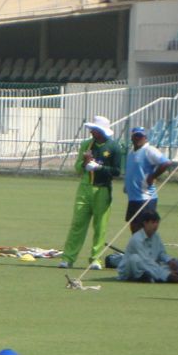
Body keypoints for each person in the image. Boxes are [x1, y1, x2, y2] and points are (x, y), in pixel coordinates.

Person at [59, 115, 123, 269]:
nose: (91, 132)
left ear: (101, 131)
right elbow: (77, 168)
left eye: (94, 129)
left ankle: (95, 259)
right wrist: (85, 162)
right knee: (78, 224)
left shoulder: (114, 147)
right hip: (85, 187)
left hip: (102, 189)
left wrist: (99, 167)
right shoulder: (86, 145)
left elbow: (116, 171)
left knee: (100, 226)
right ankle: (68, 258)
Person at [123, 126, 170, 232]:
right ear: (132, 137)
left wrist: (153, 176)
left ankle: (146, 248)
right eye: (136, 136)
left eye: (140, 136)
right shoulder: (131, 153)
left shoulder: (149, 150)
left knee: (145, 229)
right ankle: (137, 248)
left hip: (145, 198)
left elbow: (166, 162)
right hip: (133, 198)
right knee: (134, 227)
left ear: (145, 138)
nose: (138, 138)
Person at [116, 210, 178, 282]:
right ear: (145, 223)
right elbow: (146, 260)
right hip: (129, 271)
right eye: (153, 222)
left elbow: (162, 253)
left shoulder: (156, 236)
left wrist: (169, 261)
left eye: (157, 222)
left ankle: (154, 276)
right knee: (135, 259)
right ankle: (159, 277)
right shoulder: (136, 239)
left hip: (150, 266)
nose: (156, 225)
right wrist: (166, 274)